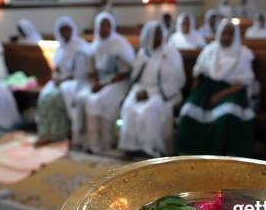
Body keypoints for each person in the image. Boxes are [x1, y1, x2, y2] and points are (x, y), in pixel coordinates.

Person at [177, 20, 255, 157]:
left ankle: (220, 155)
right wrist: (195, 84)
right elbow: (199, 70)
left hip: (232, 90)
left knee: (227, 115)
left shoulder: (243, 53)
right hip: (208, 87)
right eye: (224, 33)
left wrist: (222, 94)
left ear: (235, 36)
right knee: (187, 111)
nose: (226, 36)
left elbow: (244, 82)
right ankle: (190, 153)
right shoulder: (210, 49)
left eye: (230, 34)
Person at [118, 21, 185, 157]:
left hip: (162, 92)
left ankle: (151, 149)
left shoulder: (170, 53)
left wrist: (150, 93)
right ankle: (130, 146)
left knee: (149, 111)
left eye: (160, 35)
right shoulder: (143, 53)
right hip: (141, 89)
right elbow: (136, 75)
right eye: (155, 35)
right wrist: (141, 92)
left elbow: (175, 78)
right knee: (129, 108)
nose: (158, 39)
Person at [35, 16, 91, 146]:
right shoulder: (61, 48)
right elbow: (57, 68)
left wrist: (62, 80)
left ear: (72, 30)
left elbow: (80, 73)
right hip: (61, 82)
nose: (65, 33)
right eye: (62, 30)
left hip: (76, 83)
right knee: (43, 96)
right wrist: (56, 77)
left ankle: (58, 133)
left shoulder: (80, 47)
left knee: (53, 99)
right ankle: (45, 133)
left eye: (67, 30)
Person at [84, 12, 135, 153]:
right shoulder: (95, 45)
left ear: (112, 27)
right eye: (102, 25)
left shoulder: (119, 44)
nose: (104, 29)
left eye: (107, 25)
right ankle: (94, 143)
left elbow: (125, 71)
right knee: (91, 100)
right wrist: (95, 83)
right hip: (101, 83)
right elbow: (92, 69)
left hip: (118, 82)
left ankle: (108, 141)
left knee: (103, 99)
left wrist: (103, 84)